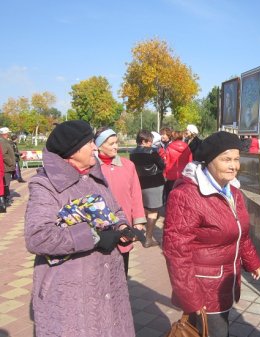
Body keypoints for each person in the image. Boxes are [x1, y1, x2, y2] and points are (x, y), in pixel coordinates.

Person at [24, 120, 135, 337]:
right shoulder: (45, 185)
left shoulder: (95, 175)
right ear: (72, 151)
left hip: (107, 284)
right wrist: (94, 236)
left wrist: (122, 228)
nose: (95, 147)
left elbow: (116, 210)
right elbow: (37, 237)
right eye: (89, 143)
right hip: (71, 291)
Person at [163, 131, 260, 337]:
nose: (234, 165)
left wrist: (252, 261)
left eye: (236, 159)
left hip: (225, 283)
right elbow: (176, 253)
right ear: (209, 161)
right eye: (226, 159)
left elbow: (240, 233)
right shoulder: (186, 195)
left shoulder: (232, 191)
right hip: (203, 288)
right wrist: (191, 299)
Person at [94, 127, 146, 275]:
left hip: (124, 228)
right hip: (101, 230)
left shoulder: (128, 166)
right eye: (111, 144)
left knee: (122, 271)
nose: (116, 147)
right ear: (98, 145)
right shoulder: (92, 168)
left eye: (116, 142)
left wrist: (139, 221)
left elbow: (136, 194)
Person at [130, 129, 165, 247]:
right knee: (153, 211)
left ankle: (136, 233)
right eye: (149, 141)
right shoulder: (153, 151)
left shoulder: (132, 153)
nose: (151, 143)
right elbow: (162, 165)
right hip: (155, 183)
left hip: (140, 183)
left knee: (144, 208)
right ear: (144, 141)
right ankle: (149, 239)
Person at [164, 130, 193, 197]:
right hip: (183, 175)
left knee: (170, 195)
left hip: (171, 175)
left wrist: (165, 174)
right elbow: (190, 162)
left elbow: (166, 162)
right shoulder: (187, 148)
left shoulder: (169, 148)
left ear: (173, 137)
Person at [0, 127, 15, 205]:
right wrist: (10, 163)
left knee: (6, 183)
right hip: (5, 167)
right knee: (5, 183)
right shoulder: (2, 142)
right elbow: (3, 154)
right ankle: (5, 199)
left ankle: (5, 198)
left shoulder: (5, 141)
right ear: (5, 134)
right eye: (8, 133)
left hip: (6, 166)